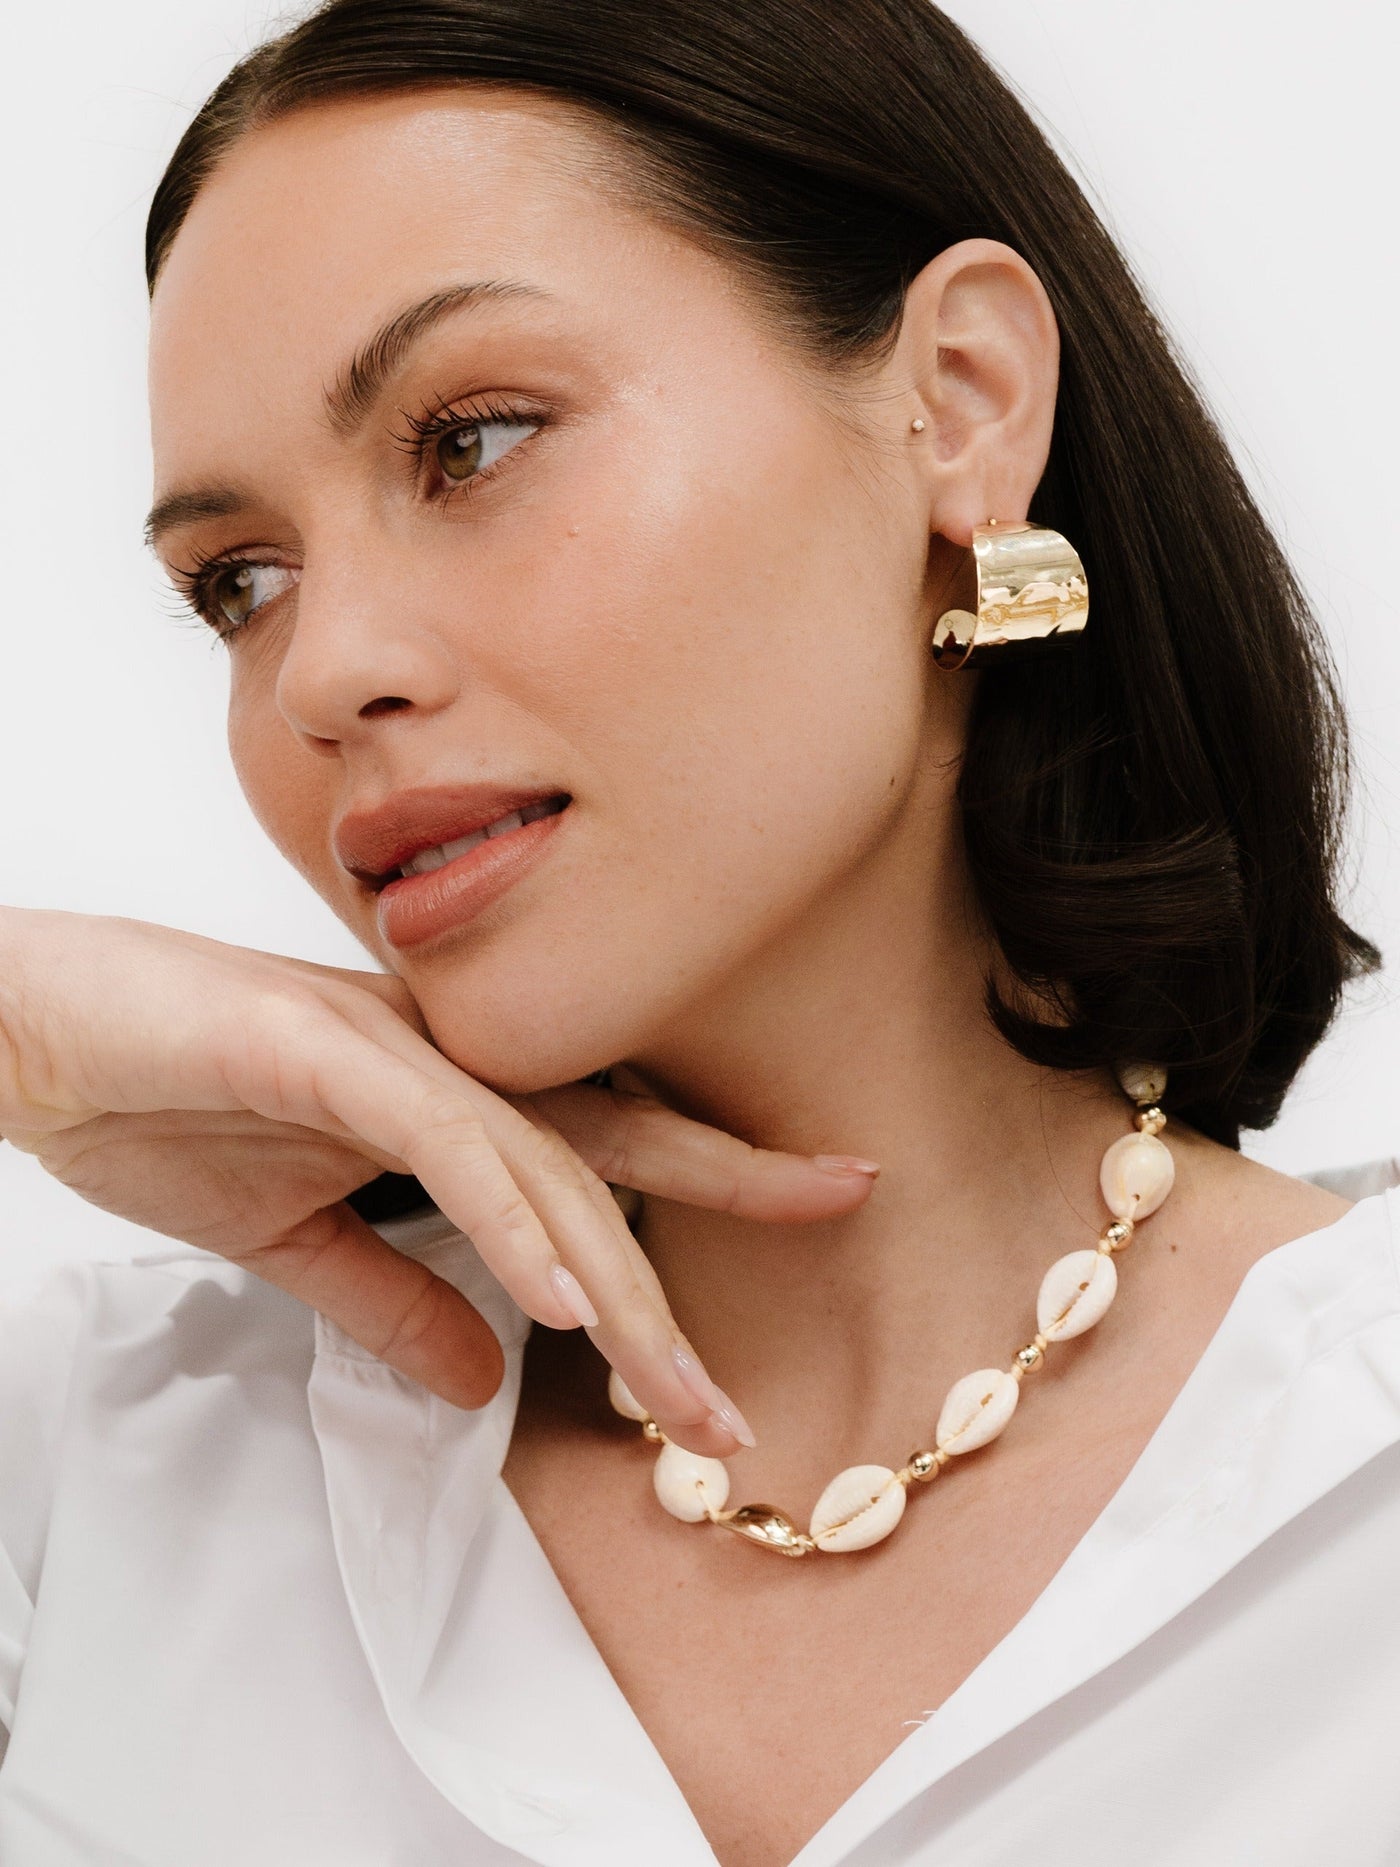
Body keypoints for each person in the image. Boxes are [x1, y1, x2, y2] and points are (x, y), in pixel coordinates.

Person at [0, 1, 1395, 1862]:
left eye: (474, 441)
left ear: (960, 402)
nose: (323, 673)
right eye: (239, 583)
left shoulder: (1354, 1473)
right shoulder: (98, 1467)